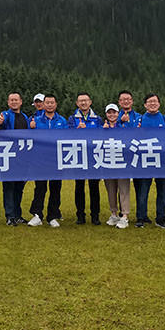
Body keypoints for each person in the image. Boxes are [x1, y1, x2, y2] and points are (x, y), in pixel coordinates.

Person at [27, 94, 67, 227]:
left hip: (56, 159)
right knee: (40, 187)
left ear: (56, 104)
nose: (49, 105)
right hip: (40, 160)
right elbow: (28, 139)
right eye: (47, 103)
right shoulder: (36, 120)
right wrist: (31, 129)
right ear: (43, 105)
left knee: (55, 188)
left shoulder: (62, 120)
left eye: (52, 102)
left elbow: (67, 138)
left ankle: (52, 216)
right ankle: (37, 215)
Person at [135, 93, 165, 229]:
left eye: (155, 101)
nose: (152, 104)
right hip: (145, 161)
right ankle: (141, 217)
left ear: (159, 104)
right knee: (143, 191)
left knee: (162, 191)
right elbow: (133, 139)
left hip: (161, 161)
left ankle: (161, 218)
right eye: (150, 102)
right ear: (145, 105)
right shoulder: (139, 120)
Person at [68, 92, 103, 225]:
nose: (83, 103)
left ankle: (95, 216)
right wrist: (77, 130)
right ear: (77, 103)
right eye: (81, 101)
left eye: (86, 100)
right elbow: (67, 136)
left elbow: (102, 136)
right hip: (78, 157)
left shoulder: (97, 119)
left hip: (94, 158)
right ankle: (80, 215)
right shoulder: (72, 118)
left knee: (94, 187)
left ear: (90, 102)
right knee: (79, 187)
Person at [0, 91, 30, 225]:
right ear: (8, 102)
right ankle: (10, 216)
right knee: (9, 187)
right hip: (9, 157)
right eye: (11, 100)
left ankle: (17, 215)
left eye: (16, 100)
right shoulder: (5, 115)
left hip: (22, 157)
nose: (14, 102)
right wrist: (0, 123)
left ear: (21, 102)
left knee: (19, 188)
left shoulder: (25, 117)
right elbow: (1, 124)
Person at [102, 104, 130, 229]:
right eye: (109, 112)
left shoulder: (124, 127)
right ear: (106, 114)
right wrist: (103, 132)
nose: (112, 115)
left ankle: (124, 216)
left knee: (124, 190)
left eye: (114, 112)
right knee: (111, 190)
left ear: (118, 114)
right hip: (108, 163)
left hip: (122, 163)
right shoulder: (102, 128)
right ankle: (114, 214)